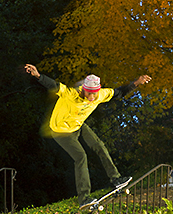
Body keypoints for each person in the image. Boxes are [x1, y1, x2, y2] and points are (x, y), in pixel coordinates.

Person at [25, 64, 151, 206]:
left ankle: (116, 179)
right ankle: (84, 198)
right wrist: (37, 75)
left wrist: (136, 83)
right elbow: (53, 84)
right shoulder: (70, 94)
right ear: (84, 90)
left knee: (99, 145)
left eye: (94, 94)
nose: (92, 97)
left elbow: (119, 92)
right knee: (81, 156)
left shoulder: (100, 94)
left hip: (78, 125)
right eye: (89, 93)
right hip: (60, 131)